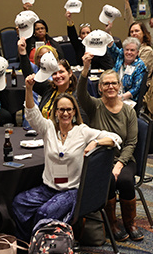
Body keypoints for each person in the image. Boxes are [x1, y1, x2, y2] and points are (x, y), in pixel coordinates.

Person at [12, 76, 122, 241]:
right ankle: (27, 243)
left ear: (74, 112)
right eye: (61, 110)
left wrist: (96, 142)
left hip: (71, 191)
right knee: (19, 203)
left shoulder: (82, 131)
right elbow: (32, 114)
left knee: (45, 212)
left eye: (69, 110)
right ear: (56, 112)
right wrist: (28, 89)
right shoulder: (48, 128)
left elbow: (116, 138)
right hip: (48, 188)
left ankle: (41, 247)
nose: (65, 113)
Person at [77, 52, 143, 241]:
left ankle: (130, 223)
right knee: (109, 182)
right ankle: (112, 223)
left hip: (124, 158)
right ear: (100, 88)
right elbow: (80, 94)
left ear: (119, 86)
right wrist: (85, 70)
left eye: (114, 83)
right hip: (100, 159)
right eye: (106, 84)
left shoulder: (128, 111)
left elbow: (131, 142)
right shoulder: (94, 106)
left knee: (125, 180)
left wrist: (120, 163)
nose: (110, 86)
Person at [18, 38, 87, 122]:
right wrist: (22, 52)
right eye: (54, 73)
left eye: (61, 72)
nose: (58, 76)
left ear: (70, 73)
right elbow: (30, 76)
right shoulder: (48, 89)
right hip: (45, 131)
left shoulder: (78, 96)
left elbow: (82, 121)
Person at [107, 37, 147, 101]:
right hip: (114, 92)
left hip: (128, 99)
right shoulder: (120, 57)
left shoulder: (139, 65)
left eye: (132, 50)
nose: (129, 52)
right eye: (127, 49)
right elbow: (112, 48)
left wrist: (121, 97)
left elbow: (136, 88)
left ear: (137, 52)